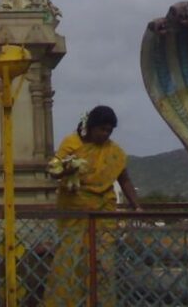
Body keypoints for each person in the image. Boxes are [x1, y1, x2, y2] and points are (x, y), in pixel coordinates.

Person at [45, 105, 141, 306]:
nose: (105, 134)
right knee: (70, 260)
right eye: (102, 129)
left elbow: (124, 179)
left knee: (102, 261)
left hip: (103, 212)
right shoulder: (71, 143)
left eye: (109, 130)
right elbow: (54, 171)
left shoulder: (113, 152)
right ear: (91, 126)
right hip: (74, 210)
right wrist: (68, 167)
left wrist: (137, 205)